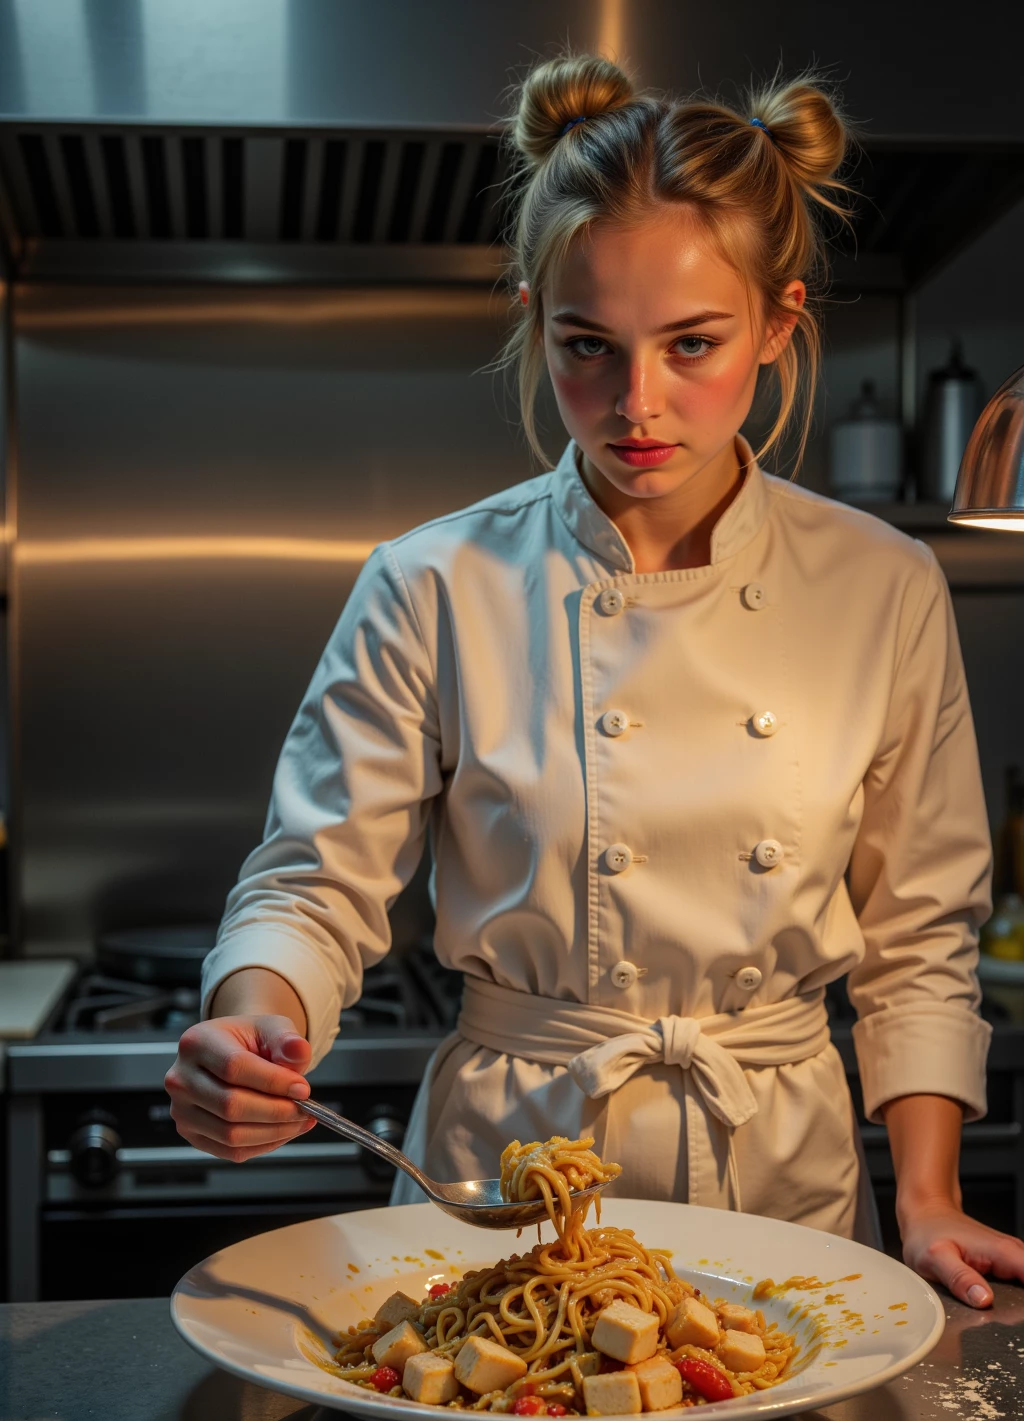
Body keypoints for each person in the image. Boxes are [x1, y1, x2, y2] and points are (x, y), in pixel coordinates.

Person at [165, 51, 1024, 1305]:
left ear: (781, 322)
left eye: (692, 345)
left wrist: (932, 1198)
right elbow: (313, 881)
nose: (638, 405)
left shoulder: (881, 584)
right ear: (532, 318)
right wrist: (252, 1022)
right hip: (500, 1185)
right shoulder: (431, 581)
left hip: (781, 1187)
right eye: (587, 347)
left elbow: (918, 932)